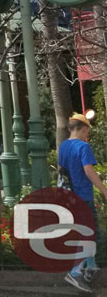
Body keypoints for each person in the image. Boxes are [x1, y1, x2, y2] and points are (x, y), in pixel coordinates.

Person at [58, 112, 107, 293]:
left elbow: (61, 171)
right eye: (87, 131)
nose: (88, 135)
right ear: (83, 129)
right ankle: (75, 271)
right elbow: (89, 171)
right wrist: (104, 190)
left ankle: (91, 268)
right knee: (87, 236)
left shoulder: (64, 146)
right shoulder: (83, 147)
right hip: (83, 196)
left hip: (70, 198)